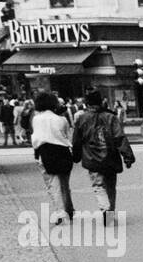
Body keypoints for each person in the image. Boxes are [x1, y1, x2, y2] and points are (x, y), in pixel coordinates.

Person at [71, 89, 135, 217]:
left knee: (98, 185)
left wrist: (76, 156)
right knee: (111, 187)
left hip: (92, 158)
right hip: (110, 157)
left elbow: (76, 140)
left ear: (87, 103)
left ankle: (105, 208)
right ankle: (110, 213)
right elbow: (120, 137)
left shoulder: (82, 119)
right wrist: (128, 157)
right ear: (101, 101)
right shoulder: (111, 117)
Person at [30, 90, 74, 223]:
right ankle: (69, 208)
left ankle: (61, 213)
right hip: (63, 151)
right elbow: (67, 136)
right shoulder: (62, 119)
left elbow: (35, 138)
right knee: (64, 184)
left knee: (52, 185)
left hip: (45, 152)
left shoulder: (36, 119)